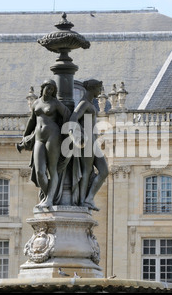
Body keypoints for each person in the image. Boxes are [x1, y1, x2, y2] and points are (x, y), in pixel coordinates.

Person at [18, 79, 70, 208]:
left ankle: (49, 199)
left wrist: (68, 134)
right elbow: (31, 121)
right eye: (48, 87)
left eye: (52, 89)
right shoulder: (36, 103)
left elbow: (67, 115)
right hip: (39, 138)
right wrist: (24, 138)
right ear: (43, 88)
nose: (50, 90)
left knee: (52, 169)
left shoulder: (56, 103)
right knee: (40, 171)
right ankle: (49, 196)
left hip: (53, 135)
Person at [68, 79, 108, 210]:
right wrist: (79, 134)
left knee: (104, 171)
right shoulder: (84, 103)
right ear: (92, 89)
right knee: (87, 171)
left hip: (93, 141)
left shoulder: (89, 103)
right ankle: (82, 201)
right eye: (99, 88)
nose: (100, 91)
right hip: (87, 141)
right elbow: (73, 119)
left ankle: (89, 198)